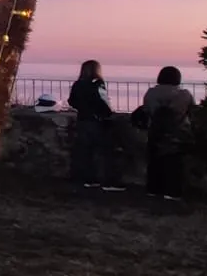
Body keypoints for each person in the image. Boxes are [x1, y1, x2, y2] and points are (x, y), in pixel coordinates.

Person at [135, 67, 195, 202]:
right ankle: (172, 192)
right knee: (174, 164)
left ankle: (153, 189)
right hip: (177, 133)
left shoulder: (151, 93)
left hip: (154, 132)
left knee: (154, 162)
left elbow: (146, 110)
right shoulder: (184, 94)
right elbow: (192, 111)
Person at [68, 59, 124, 191]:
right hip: (96, 121)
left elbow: (71, 101)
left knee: (86, 152)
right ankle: (109, 182)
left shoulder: (78, 84)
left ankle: (89, 179)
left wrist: (83, 108)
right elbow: (103, 101)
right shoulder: (97, 83)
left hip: (82, 120)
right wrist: (106, 114)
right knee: (106, 151)